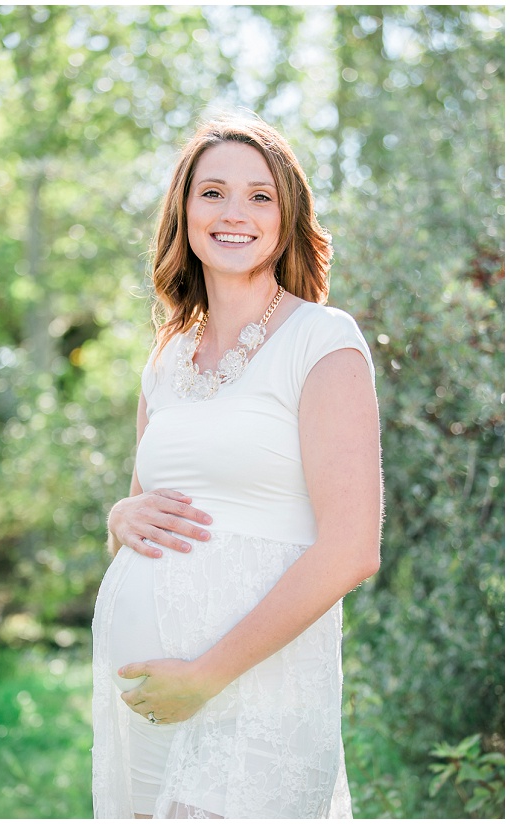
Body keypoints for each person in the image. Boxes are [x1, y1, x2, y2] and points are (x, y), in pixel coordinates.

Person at [91, 116, 382, 818]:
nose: (233, 214)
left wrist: (204, 676)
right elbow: (144, 521)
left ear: (288, 217)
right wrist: (117, 517)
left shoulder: (322, 340)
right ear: (183, 212)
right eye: (213, 192)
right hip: (146, 695)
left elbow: (352, 550)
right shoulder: (165, 356)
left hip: (255, 697)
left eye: (260, 197)